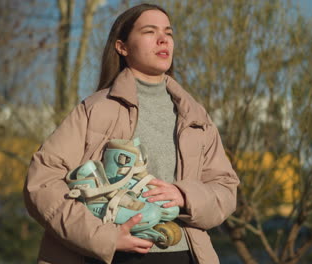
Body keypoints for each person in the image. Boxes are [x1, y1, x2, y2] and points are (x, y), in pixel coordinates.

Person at [23, 3, 239, 264]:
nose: (163, 39)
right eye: (150, 31)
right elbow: (42, 181)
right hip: (112, 257)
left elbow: (226, 189)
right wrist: (103, 237)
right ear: (122, 47)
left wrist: (185, 196)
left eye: (168, 33)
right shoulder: (96, 110)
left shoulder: (195, 116)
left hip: (185, 254)